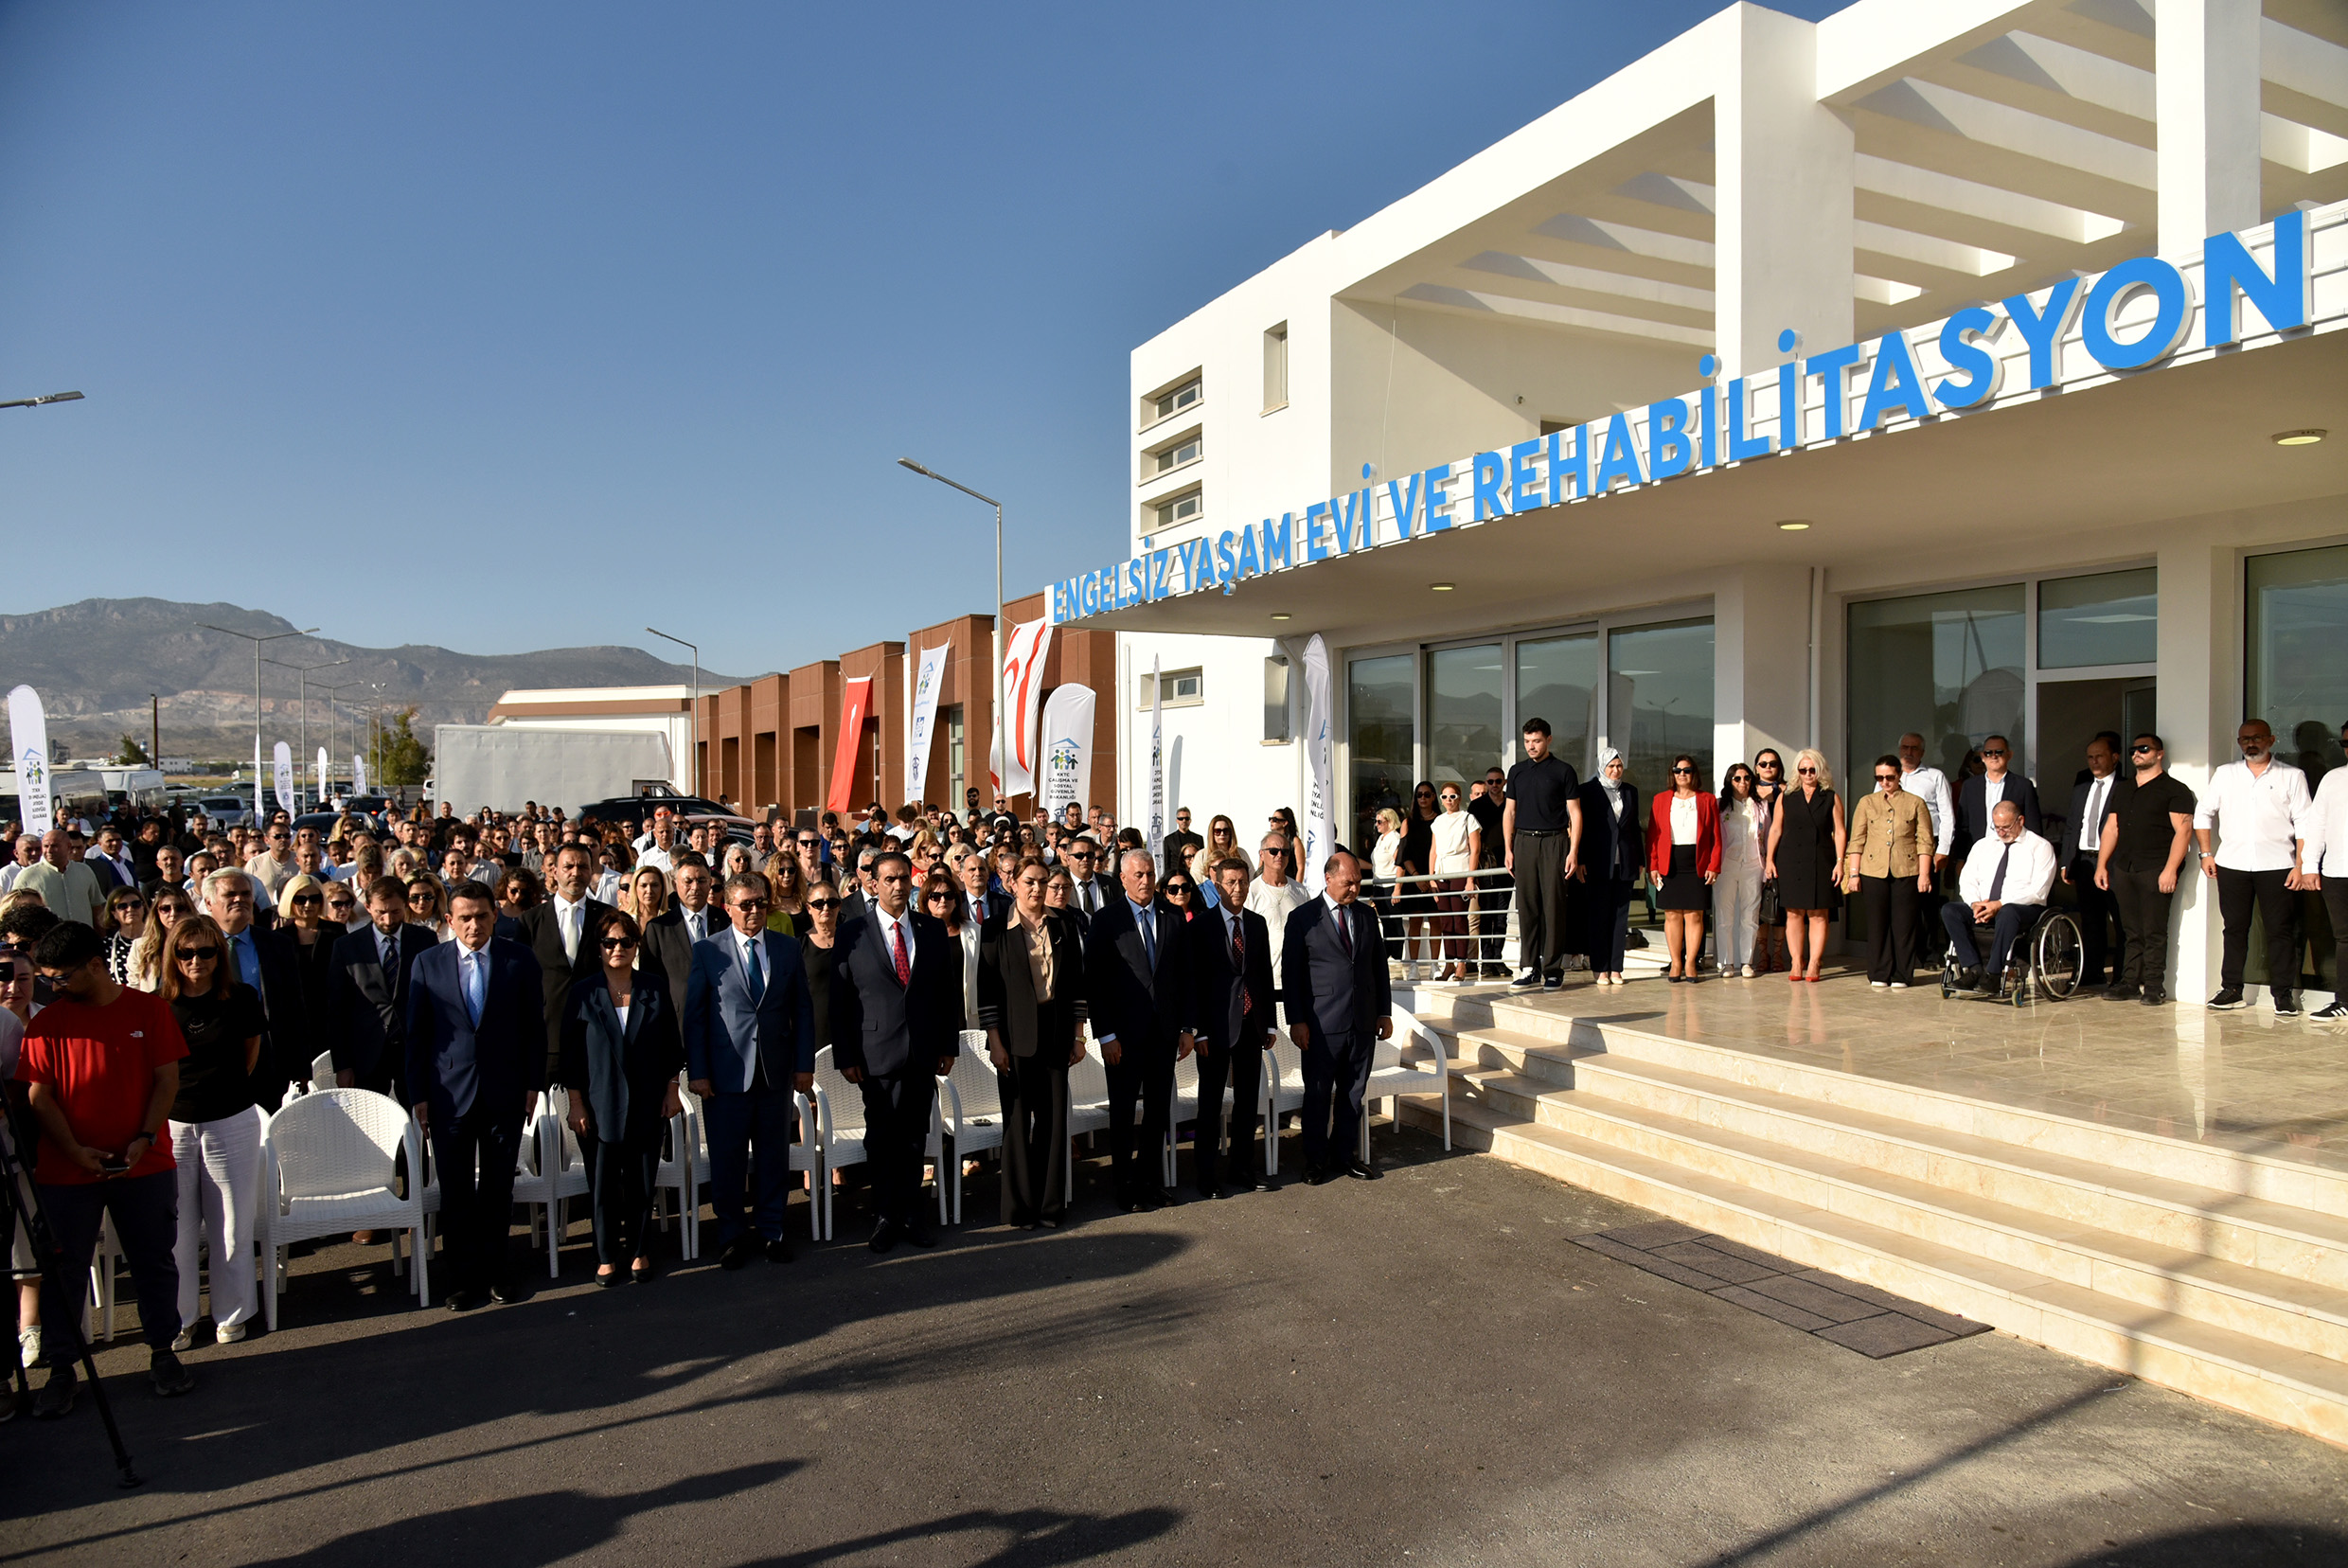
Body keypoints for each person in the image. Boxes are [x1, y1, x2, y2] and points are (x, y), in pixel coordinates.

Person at [17, 919, 195, 1414]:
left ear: (95, 965)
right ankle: (61, 1368)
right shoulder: (46, 1024)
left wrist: (144, 1137)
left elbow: (166, 1080)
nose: (53, 987)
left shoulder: (149, 1010)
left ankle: (163, 1352)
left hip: (146, 1163)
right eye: (47, 978)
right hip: (66, 1171)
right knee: (63, 1269)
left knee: (153, 1260)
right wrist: (75, 1151)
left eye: (61, 977)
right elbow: (39, 1097)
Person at [406, 882, 543, 1310]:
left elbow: (534, 1028)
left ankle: (498, 1270)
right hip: (448, 1095)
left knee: (499, 1189)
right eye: (464, 918)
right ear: (449, 920)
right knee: (457, 1191)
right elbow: (417, 1034)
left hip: (505, 1091)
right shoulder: (428, 963)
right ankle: (463, 1278)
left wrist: (533, 1085)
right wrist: (419, 1095)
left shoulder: (519, 959)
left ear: (495, 915)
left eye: (482, 916)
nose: (474, 925)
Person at [828, 852, 960, 1250]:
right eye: (889, 879)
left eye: (904, 877)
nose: (898, 885)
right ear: (874, 883)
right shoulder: (852, 932)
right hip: (875, 1054)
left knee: (915, 1139)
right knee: (883, 1139)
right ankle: (885, 1215)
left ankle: (912, 1216)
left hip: (921, 1051)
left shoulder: (930, 929)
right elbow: (840, 999)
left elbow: (946, 992)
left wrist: (948, 1045)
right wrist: (846, 1056)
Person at [158, 914, 266, 1346]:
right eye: (186, 952)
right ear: (173, 956)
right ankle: (181, 1317)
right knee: (178, 1228)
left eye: (206, 951)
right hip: (174, 1125)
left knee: (232, 1224)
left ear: (219, 955)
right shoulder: (157, 1005)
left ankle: (232, 1312)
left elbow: (249, 1055)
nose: (196, 960)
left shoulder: (241, 998)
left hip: (231, 1119)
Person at [562, 908, 685, 1286]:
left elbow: (671, 1045)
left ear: (636, 946)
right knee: (603, 1186)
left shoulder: (653, 987)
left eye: (626, 942)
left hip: (648, 1102)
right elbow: (570, 1055)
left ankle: (639, 1250)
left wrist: (672, 1090)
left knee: (641, 1183)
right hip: (598, 1105)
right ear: (598, 947)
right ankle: (605, 1255)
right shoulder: (583, 992)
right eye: (609, 942)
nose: (618, 948)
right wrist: (576, 1103)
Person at [978, 859, 1088, 1228]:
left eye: (1043, 882)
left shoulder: (1063, 923)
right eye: (1029, 882)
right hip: (1013, 1039)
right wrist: (995, 1043)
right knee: (1017, 1124)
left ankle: (1050, 1206)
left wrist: (1078, 1036)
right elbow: (987, 991)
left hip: (1056, 1034)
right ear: (1013, 884)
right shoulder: (996, 927)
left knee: (1053, 1124)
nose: (1037, 889)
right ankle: (1020, 1209)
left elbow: (1075, 983)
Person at [1084, 847, 1193, 1213]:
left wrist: (1187, 1027)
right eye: (1138, 875)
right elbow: (1095, 982)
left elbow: (1184, 976)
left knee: (1158, 1111)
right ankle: (1123, 1185)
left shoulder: (1172, 915)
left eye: (1149, 874)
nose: (1146, 881)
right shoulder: (1106, 920)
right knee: (1123, 1112)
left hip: (1164, 1034)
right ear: (1123, 879)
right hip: (1123, 1037)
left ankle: (1149, 1182)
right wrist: (1106, 1035)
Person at [1282, 850, 1391, 1185]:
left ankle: (1344, 1155)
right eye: (1348, 883)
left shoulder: (1366, 915)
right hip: (1320, 1024)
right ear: (1328, 879)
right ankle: (1315, 1160)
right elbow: (1292, 974)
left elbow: (1378, 966)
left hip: (1362, 1021)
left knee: (1353, 1093)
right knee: (1317, 1095)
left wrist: (1384, 1011)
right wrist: (1297, 1020)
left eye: (1358, 882)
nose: (1355, 888)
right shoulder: (1303, 917)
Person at [2194, 719, 2312, 1014]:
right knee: (2234, 929)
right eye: (2245, 739)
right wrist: (2206, 854)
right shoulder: (2226, 773)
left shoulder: (2291, 775)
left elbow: (2304, 822)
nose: (2250, 744)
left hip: (2278, 865)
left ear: (2271, 740)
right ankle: (2231, 989)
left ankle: (2282, 995)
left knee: (2280, 931)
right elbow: (2203, 813)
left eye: (2257, 738)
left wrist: (2300, 865)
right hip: (2232, 864)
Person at [1188, 855, 1275, 1198]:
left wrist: (1269, 1023)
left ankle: (1242, 1168)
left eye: (1243, 881)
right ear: (1217, 885)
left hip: (1251, 1025)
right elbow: (1194, 982)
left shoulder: (1257, 924)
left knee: (1247, 1103)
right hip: (1214, 1029)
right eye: (1231, 882)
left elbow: (1264, 975)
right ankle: (1206, 1175)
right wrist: (1199, 1031)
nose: (1238, 888)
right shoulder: (1201, 926)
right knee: (1210, 1105)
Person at [203, 868, 306, 1111]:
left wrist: (301, 1068)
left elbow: (295, 1007)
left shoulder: (277, 944)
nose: (239, 899)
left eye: (245, 893)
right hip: (215, 1061)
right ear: (209, 903)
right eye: (230, 894)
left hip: (270, 1059)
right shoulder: (195, 948)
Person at [328, 877, 436, 1098]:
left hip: (414, 1050)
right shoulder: (346, 946)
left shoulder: (425, 940)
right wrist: (343, 1065)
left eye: (395, 912)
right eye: (380, 913)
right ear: (368, 907)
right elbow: (337, 1009)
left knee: (418, 1114)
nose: (388, 920)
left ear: (405, 905)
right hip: (366, 1052)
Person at [519, 844, 616, 1085]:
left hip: (597, 1034)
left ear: (591, 870)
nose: (576, 872)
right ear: (554, 871)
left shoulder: (608, 917)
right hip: (548, 1037)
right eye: (568, 866)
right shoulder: (530, 921)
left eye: (583, 866)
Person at [1941, 802, 2058, 994]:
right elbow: (1968, 879)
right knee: (1950, 910)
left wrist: (2000, 904)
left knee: (2008, 912)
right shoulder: (1983, 845)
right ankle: (1974, 969)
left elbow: (2039, 891)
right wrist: (1975, 903)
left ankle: (1993, 974)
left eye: (2006, 827)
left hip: (2023, 907)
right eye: (1997, 827)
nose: (2001, 832)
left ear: (2020, 820)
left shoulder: (2040, 847)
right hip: (1985, 905)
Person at [1503, 718, 1583, 990]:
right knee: (1527, 907)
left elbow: (1575, 813)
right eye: (1527, 741)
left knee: (1553, 908)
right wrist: (1508, 849)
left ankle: (1552, 969)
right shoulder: (1516, 771)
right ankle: (1528, 968)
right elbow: (1509, 812)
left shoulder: (1563, 771)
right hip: (1524, 842)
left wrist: (1573, 851)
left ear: (1548, 739)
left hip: (1555, 842)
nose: (1531, 746)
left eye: (1536, 741)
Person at [1844, 756, 1935, 989]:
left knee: (1904, 925)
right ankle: (1879, 972)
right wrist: (1853, 874)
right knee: (1877, 924)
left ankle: (1902, 974)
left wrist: (1924, 874)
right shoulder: (1867, 802)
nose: (1885, 782)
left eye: (1890, 777)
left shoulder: (1915, 803)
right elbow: (1857, 840)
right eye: (1879, 778)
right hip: (1873, 870)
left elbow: (1925, 842)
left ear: (1899, 775)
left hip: (1906, 869)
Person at [1766, 751, 1846, 984]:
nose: (1808, 774)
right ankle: (1796, 961)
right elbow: (1776, 829)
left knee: (1818, 913)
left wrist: (1840, 862)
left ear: (1820, 771)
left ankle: (1814, 962)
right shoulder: (1786, 796)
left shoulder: (1830, 797)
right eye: (1803, 770)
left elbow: (1840, 831)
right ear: (1797, 772)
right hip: (1790, 860)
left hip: (1822, 859)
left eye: (1812, 770)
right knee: (1793, 912)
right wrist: (1770, 859)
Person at [2058, 733, 2127, 990]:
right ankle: (2092, 972)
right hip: (2085, 862)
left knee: (2120, 921)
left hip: (2113, 863)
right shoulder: (2082, 788)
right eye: (2090, 757)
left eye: (2099, 756)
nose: (2094, 761)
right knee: (2090, 920)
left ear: (2115, 757)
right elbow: (2072, 826)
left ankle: (2121, 976)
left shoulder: (2125, 787)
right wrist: (2067, 862)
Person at [1645, 756, 1721, 984]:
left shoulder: (1707, 800)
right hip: (1670, 862)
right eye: (1677, 770)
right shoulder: (1660, 799)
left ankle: (1690, 963)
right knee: (1672, 915)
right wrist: (1653, 865)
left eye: (1687, 770)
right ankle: (1676, 962)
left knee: (1695, 915)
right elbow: (1653, 836)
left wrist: (1714, 865)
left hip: (1697, 862)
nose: (1682, 774)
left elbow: (1716, 836)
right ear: (1672, 773)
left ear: (1694, 773)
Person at [1574, 749, 1642, 987]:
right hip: (1597, 862)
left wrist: (1639, 860)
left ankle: (1616, 968)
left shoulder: (1630, 791)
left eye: (1619, 766)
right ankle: (1600, 967)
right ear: (1602, 766)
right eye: (1611, 766)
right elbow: (1582, 828)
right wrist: (1580, 859)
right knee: (1599, 917)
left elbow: (1634, 828)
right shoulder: (1587, 791)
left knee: (1620, 918)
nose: (1615, 770)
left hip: (1625, 862)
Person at [2298, 720, 2348, 1022]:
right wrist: (2309, 866)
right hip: (2337, 871)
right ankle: (2344, 1000)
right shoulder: (2333, 779)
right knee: (2344, 939)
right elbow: (2316, 825)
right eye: (2345, 743)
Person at [1951, 735, 2043, 864]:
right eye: (1988, 753)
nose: (1993, 756)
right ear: (1982, 757)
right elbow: (1963, 826)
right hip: (1978, 855)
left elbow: (2034, 826)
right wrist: (1961, 858)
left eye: (1999, 752)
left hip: (2013, 855)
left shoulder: (2023, 786)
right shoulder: (1970, 786)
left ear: (2009, 755)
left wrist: (2033, 857)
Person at [1246, 831, 1308, 1004]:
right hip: (1264, 980)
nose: (1279, 855)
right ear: (1262, 854)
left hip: (1296, 979)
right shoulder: (1251, 892)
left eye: (1285, 852)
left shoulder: (1300, 891)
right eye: (1273, 851)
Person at [1429, 783, 1482, 982]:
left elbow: (1475, 850)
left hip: (1461, 869)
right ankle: (1449, 962)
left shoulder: (1468, 818)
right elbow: (1433, 851)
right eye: (1444, 797)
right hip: (1442, 873)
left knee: (1459, 919)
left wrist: (1470, 878)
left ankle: (1461, 963)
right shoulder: (1438, 821)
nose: (1448, 800)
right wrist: (1431, 878)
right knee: (1446, 920)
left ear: (1459, 798)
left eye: (1452, 796)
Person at [1716, 764, 1765, 977]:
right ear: (1730, 781)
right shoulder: (1720, 806)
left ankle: (1747, 961)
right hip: (1726, 864)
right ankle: (1727, 963)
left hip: (1753, 863)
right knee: (1724, 915)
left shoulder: (1760, 806)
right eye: (1737, 778)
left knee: (1750, 915)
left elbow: (1768, 834)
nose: (1742, 782)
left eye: (1746, 778)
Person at [17, 829, 103, 929]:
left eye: (54, 846)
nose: (49, 850)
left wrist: (101, 935)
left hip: (83, 935)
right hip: (47, 936)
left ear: (68, 847)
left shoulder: (84, 871)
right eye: (46, 846)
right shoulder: (28, 875)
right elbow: (15, 911)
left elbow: (96, 907)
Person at [1396, 782, 1437, 981]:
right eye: (1419, 795)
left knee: (1436, 922)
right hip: (1415, 877)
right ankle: (1413, 965)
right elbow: (1404, 854)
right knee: (1415, 922)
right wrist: (1416, 877)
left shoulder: (1440, 821)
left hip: (1435, 877)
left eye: (1427, 794)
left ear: (1434, 797)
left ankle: (1435, 965)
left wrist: (1432, 877)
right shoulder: (1408, 822)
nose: (1423, 798)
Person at [126, 885, 194, 992]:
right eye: (165, 909)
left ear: (189, 910)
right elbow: (134, 987)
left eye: (179, 908)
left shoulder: (200, 944)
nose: (173, 913)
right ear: (157, 912)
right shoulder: (140, 947)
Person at [1368, 808, 1405, 962]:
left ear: (1390, 822)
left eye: (1379, 821)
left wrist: (1397, 888)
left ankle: (1396, 955)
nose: (1376, 825)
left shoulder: (1394, 838)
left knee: (1395, 922)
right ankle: (1387, 953)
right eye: (1375, 821)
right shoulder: (1381, 839)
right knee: (1385, 921)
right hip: (1379, 886)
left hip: (1390, 884)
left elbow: (1400, 864)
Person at [100, 887, 148, 986]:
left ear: (143, 908)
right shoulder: (105, 946)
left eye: (136, 904)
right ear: (113, 913)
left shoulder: (160, 940)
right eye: (122, 906)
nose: (130, 909)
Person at [1161, 808, 1202, 881]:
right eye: (1181, 818)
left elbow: (1201, 859)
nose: (1184, 821)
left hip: (1194, 876)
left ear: (1190, 820)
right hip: (1176, 876)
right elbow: (1167, 863)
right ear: (1177, 820)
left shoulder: (1198, 839)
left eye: (1187, 818)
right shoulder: (1169, 839)